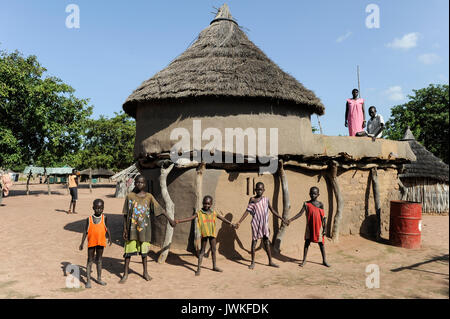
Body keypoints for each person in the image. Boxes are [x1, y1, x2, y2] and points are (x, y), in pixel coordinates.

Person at [119, 175, 175, 283]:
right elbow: (125, 214)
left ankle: (145, 273)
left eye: (142, 182)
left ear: (145, 184)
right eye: (138, 182)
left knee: (144, 254)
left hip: (144, 231)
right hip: (131, 231)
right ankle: (125, 274)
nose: (140, 184)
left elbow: (160, 209)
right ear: (134, 183)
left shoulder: (149, 197)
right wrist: (125, 229)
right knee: (128, 254)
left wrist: (170, 220)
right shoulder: (130, 196)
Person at [175, 195, 236, 276]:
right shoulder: (200, 213)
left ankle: (214, 266)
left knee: (214, 250)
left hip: (212, 235)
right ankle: (198, 269)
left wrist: (231, 223)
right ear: (202, 203)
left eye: (208, 204)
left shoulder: (213, 213)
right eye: (204, 203)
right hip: (204, 235)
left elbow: (222, 219)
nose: (206, 205)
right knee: (202, 251)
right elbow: (190, 218)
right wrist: (178, 221)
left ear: (211, 204)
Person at [235, 182, 288, 269]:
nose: (259, 191)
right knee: (254, 242)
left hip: (264, 224)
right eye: (257, 189)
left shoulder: (266, 199)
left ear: (264, 190)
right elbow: (247, 211)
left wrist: (282, 218)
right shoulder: (252, 199)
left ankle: (270, 261)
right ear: (255, 190)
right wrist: (239, 222)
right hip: (256, 224)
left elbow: (272, 210)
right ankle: (252, 262)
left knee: (266, 242)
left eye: (261, 189)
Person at [287, 186, 330, 267]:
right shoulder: (306, 204)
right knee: (307, 243)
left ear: (318, 194)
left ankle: (324, 260)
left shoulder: (320, 204)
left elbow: (323, 217)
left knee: (321, 244)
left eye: (314, 194)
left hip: (319, 228)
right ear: (309, 194)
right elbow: (300, 213)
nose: (312, 195)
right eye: (311, 193)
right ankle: (304, 260)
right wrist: (291, 220)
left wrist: (325, 228)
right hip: (309, 228)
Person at [79, 199, 112, 288]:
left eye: (101, 208)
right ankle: (88, 280)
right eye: (97, 208)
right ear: (93, 208)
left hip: (101, 242)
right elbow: (85, 231)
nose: (99, 210)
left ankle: (99, 278)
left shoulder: (104, 218)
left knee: (99, 260)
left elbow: (107, 227)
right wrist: (82, 243)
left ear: (103, 208)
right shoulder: (89, 219)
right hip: (91, 243)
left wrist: (110, 237)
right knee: (90, 260)